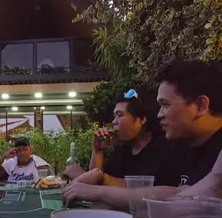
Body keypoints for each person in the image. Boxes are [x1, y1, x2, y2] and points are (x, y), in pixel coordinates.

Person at [63, 60, 222, 209]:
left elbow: (177, 197)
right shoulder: (180, 145)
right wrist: (99, 170)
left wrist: (98, 189)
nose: (159, 114)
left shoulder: (166, 147)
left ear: (200, 106)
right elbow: (146, 188)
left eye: (165, 105)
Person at [65, 89, 168, 187]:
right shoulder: (122, 150)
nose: (114, 121)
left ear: (141, 120)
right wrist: (98, 151)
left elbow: (142, 187)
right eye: (114, 116)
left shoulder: (161, 149)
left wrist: (88, 176)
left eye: (120, 115)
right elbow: (96, 185)